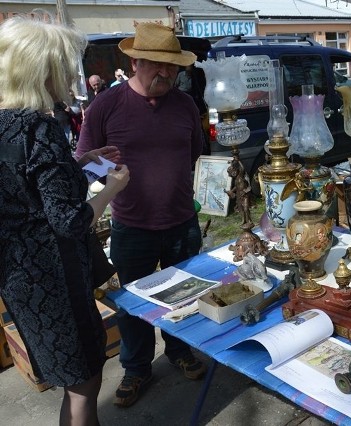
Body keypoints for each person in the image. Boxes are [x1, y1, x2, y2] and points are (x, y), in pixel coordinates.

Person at [0, 12, 130, 426]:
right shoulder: (37, 127)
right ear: (43, 69)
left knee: (73, 382)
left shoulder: (4, 124)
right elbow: (70, 221)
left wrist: (79, 162)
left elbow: (24, 191)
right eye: (63, 66)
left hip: (19, 277)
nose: (70, 76)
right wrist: (112, 188)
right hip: (55, 279)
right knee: (85, 384)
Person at [76, 22, 206, 408]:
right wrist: (106, 173)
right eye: (155, 65)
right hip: (132, 226)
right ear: (134, 62)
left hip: (183, 221)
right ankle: (136, 368)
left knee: (185, 298)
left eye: (172, 67)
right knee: (134, 304)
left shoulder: (185, 105)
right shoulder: (105, 106)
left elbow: (195, 153)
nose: (165, 73)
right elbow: (83, 166)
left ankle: (179, 351)